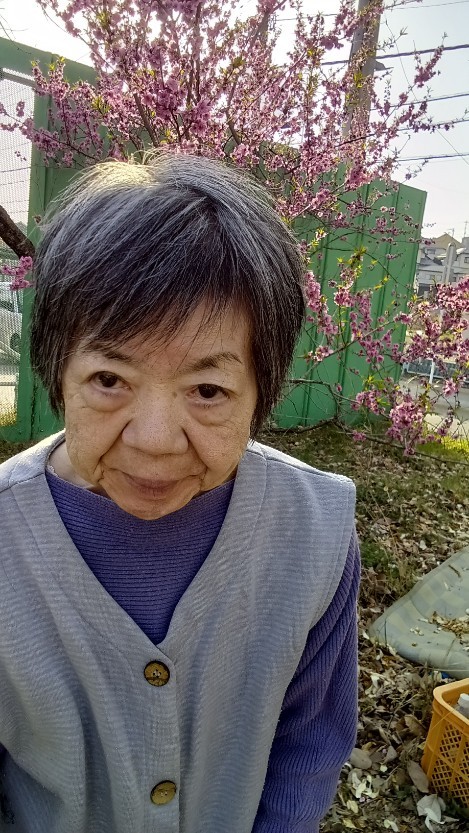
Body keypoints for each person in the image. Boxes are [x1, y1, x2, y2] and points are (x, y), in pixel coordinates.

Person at [0, 153, 360, 833]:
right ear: (57, 370)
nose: (156, 440)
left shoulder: (314, 532)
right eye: (110, 380)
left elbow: (308, 741)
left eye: (208, 390)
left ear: (261, 393)